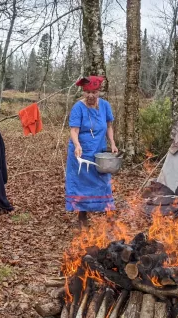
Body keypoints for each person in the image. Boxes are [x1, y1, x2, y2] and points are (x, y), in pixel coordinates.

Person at [65, 76, 118, 227]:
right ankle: (82, 216)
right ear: (83, 92)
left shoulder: (105, 106)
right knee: (82, 184)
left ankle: (108, 213)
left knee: (103, 181)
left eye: (94, 92)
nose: (90, 96)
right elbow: (74, 130)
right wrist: (77, 145)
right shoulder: (78, 108)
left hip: (98, 151)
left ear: (99, 92)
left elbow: (108, 126)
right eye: (87, 92)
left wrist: (113, 143)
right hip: (81, 153)